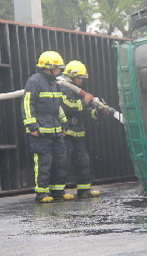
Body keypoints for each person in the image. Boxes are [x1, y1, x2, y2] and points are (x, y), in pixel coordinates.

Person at [21, 51, 74, 203]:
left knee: (60, 161)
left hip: (56, 131)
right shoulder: (34, 81)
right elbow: (27, 104)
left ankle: (58, 191)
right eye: (57, 68)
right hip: (41, 132)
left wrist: (63, 124)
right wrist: (32, 126)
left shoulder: (54, 83)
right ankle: (42, 193)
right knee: (43, 163)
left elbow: (57, 107)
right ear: (49, 67)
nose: (60, 71)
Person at [60, 60, 103, 198]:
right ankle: (58, 192)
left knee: (83, 161)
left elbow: (86, 111)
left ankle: (84, 190)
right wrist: (85, 101)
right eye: (79, 78)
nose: (81, 81)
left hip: (78, 132)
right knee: (62, 163)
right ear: (71, 76)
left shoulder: (78, 91)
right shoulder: (63, 87)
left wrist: (98, 112)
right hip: (66, 133)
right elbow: (68, 105)